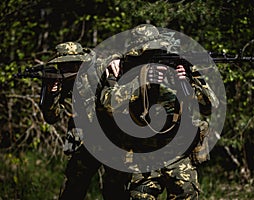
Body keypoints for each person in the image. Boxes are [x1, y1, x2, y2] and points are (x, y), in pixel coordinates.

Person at [94, 24, 219, 199]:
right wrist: (140, 80)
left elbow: (210, 106)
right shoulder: (124, 71)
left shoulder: (180, 69)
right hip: (141, 153)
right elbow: (108, 105)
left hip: (176, 151)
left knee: (187, 192)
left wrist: (188, 82)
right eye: (146, 55)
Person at [39, 41, 131, 200]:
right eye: (65, 65)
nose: (70, 68)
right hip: (83, 141)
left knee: (115, 189)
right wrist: (52, 94)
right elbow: (52, 117)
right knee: (73, 189)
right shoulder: (61, 81)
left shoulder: (98, 69)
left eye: (74, 64)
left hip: (113, 138)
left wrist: (116, 59)